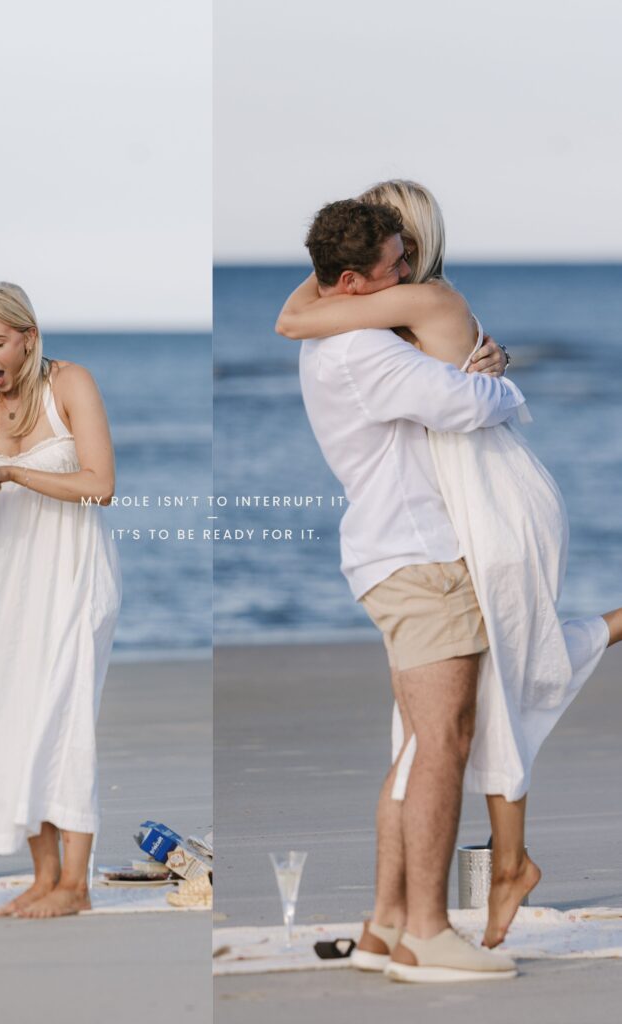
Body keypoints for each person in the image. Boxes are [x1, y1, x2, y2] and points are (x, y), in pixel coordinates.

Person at [277, 187, 622, 970]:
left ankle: (384, 927)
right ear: (356, 281)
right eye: (394, 266)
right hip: (421, 558)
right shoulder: (364, 350)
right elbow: (473, 405)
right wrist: (495, 376)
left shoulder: (343, 333)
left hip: (398, 554)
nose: (410, 277)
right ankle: (427, 934)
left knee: (413, 748)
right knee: (442, 743)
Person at [0, 282, 121, 918]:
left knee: (64, 717)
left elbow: (101, 487)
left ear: (28, 338)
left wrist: (11, 472)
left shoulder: (69, 384)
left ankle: (77, 884)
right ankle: (43, 878)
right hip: (4, 581)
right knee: (11, 718)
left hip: (72, 573)